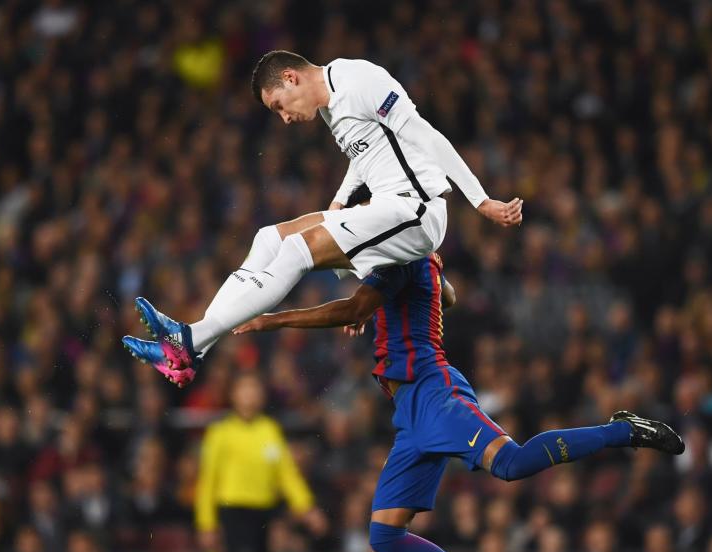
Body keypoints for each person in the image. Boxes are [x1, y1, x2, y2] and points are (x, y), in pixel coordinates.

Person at [233, 241, 684, 552]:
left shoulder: (400, 253)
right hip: (410, 410)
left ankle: (622, 430)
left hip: (435, 393)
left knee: (511, 463)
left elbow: (355, 305)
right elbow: (445, 295)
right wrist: (383, 304)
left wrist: (272, 319)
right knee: (384, 537)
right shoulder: (416, 252)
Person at [122, 50, 523, 386]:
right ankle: (192, 348)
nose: (284, 117)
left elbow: (425, 135)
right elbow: (363, 159)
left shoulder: (361, 81)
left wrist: (481, 199)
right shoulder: (330, 107)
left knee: (298, 249)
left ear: (292, 78)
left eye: (279, 105)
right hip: (386, 208)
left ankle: (188, 341)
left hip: (417, 210)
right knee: (268, 238)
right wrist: (336, 205)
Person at [195, 372, 328, 552]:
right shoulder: (221, 433)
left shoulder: (269, 430)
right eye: (244, 388)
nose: (250, 395)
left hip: (262, 514)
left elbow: (287, 475)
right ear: (234, 395)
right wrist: (206, 524)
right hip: (233, 512)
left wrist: (307, 508)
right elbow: (207, 482)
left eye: (255, 388)